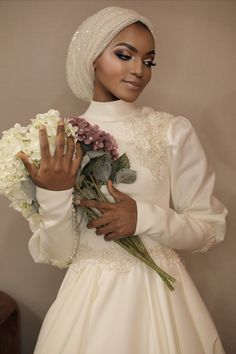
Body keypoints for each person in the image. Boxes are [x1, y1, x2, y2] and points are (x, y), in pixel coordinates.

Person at [17, 6, 228, 354]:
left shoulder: (171, 130)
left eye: (149, 61)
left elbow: (208, 230)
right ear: (91, 58)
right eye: (124, 55)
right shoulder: (59, 140)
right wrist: (53, 194)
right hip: (87, 304)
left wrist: (143, 218)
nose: (139, 71)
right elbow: (57, 254)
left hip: (161, 300)